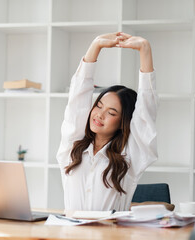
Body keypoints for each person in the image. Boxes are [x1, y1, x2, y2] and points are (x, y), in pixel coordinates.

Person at [56, 32, 158, 211]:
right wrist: (95, 46)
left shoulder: (130, 156)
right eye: (99, 106)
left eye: (111, 112)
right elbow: (76, 102)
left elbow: (146, 112)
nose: (99, 115)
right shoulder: (72, 148)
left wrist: (145, 51)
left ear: (123, 122)